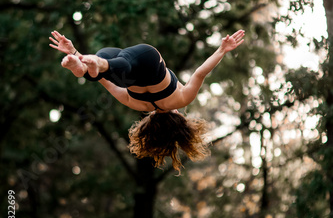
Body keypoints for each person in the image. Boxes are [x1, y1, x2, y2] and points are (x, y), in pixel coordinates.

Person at [49, 29, 245, 172]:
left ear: (179, 118)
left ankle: (90, 64)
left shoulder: (181, 100)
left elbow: (200, 73)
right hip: (123, 73)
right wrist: (79, 57)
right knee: (112, 69)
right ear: (151, 123)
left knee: (118, 64)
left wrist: (222, 49)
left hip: (148, 61)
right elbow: (107, 83)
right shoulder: (136, 104)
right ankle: (83, 66)